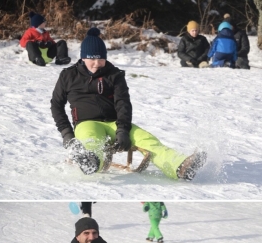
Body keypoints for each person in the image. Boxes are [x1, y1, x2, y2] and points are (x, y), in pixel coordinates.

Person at [50, 28, 205, 181]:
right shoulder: (68, 76)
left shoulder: (114, 74)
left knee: (147, 139)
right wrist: (67, 134)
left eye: (101, 59)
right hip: (86, 123)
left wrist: (123, 130)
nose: (97, 64)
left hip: (115, 123)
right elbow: (56, 105)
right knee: (91, 142)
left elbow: (123, 104)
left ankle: (179, 166)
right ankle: (90, 162)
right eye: (92, 59)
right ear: (83, 58)